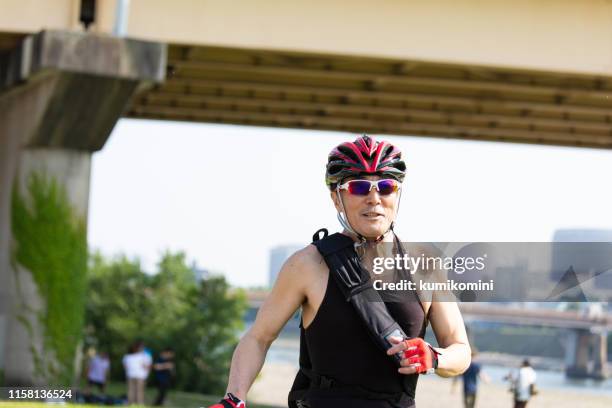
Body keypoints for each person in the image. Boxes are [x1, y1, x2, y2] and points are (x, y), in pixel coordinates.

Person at [210, 134, 471, 408]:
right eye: (359, 188)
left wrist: (434, 356)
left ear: (397, 194)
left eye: (385, 187)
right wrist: (233, 399)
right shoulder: (307, 265)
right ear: (336, 198)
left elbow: (460, 350)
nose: (374, 199)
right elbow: (258, 337)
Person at [123, 340, 152, 405]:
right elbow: (147, 366)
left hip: (130, 375)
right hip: (140, 376)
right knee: (139, 391)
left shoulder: (127, 356)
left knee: (131, 390)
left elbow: (125, 366)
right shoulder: (144, 356)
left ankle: (131, 403)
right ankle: (140, 403)